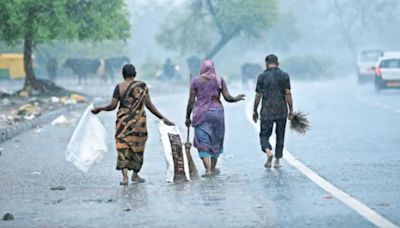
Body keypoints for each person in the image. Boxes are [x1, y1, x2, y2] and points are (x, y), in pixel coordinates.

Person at [92, 64, 174, 185]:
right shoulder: (142, 87)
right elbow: (149, 105)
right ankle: (135, 175)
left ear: (123, 74)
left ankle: (125, 177)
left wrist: (100, 108)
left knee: (123, 147)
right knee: (138, 147)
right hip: (139, 123)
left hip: (123, 122)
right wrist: (163, 118)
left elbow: (112, 106)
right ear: (134, 74)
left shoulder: (119, 87)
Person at [185, 59, 245, 177]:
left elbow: (191, 101)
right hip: (217, 113)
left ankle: (207, 169)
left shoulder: (195, 81)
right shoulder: (219, 79)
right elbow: (227, 97)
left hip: (201, 113)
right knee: (216, 140)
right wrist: (235, 98)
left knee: (202, 140)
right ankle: (212, 168)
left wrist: (187, 117)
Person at [253, 54, 294, 169]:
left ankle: (268, 151)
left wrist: (255, 110)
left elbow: (258, 95)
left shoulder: (262, 77)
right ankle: (277, 160)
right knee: (280, 135)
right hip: (281, 110)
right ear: (278, 63)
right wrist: (291, 110)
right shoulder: (284, 76)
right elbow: (288, 94)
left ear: (266, 63)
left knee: (264, 135)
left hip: (267, 111)